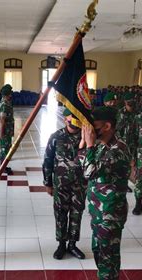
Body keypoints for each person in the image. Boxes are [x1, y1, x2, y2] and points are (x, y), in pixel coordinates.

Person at [77, 106, 130, 280]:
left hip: (110, 212)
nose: (90, 130)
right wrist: (85, 144)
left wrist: (89, 145)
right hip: (98, 210)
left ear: (107, 126)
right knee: (99, 251)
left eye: (94, 127)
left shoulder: (119, 149)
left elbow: (89, 172)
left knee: (108, 253)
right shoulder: (100, 146)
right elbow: (79, 164)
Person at [42, 108, 86, 260]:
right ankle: (61, 244)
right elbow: (47, 160)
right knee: (60, 214)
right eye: (70, 119)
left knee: (76, 214)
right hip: (60, 184)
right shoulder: (56, 137)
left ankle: (72, 245)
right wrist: (48, 182)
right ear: (64, 120)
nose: (74, 123)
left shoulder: (86, 137)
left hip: (80, 184)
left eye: (76, 120)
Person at [0, 85, 15, 175]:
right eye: (9, 94)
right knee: (4, 149)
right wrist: (2, 133)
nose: (10, 95)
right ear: (6, 95)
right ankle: (2, 167)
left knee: (6, 148)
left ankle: (4, 165)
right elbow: (2, 120)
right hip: (5, 131)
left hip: (7, 130)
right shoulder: (4, 105)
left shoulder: (6, 102)